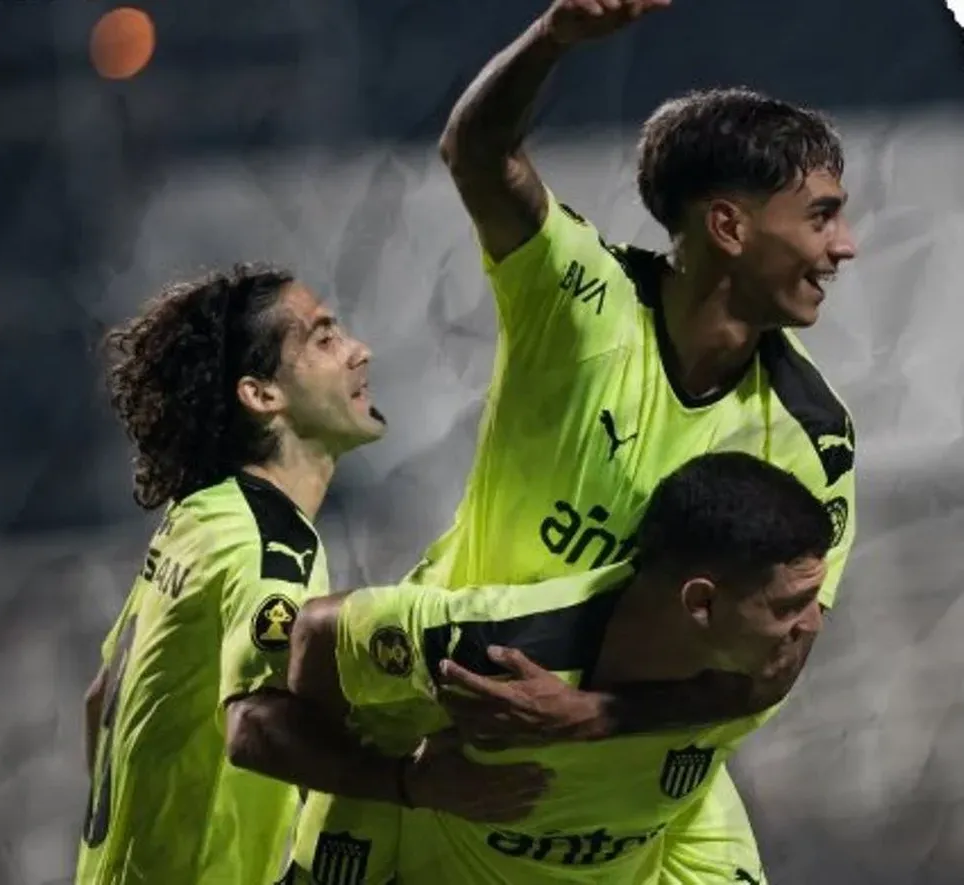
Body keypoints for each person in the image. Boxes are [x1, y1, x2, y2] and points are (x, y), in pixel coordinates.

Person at [289, 0, 859, 882]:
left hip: (646, 774)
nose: (844, 246)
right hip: (456, 712)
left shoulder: (810, 436)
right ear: (729, 226)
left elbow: (779, 659)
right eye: (820, 217)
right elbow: (477, 155)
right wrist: (553, 38)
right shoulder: (580, 300)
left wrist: (587, 714)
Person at [74, 264, 548, 885]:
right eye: (324, 338)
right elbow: (253, 726)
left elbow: (100, 698)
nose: (359, 351)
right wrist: (410, 783)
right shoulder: (269, 547)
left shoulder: (195, 519)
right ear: (262, 395)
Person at [283, 453, 835, 884]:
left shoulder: (758, 666)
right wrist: (402, 783)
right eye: (792, 605)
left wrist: (595, 715)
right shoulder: (496, 651)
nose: (812, 624)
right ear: (701, 603)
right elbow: (319, 630)